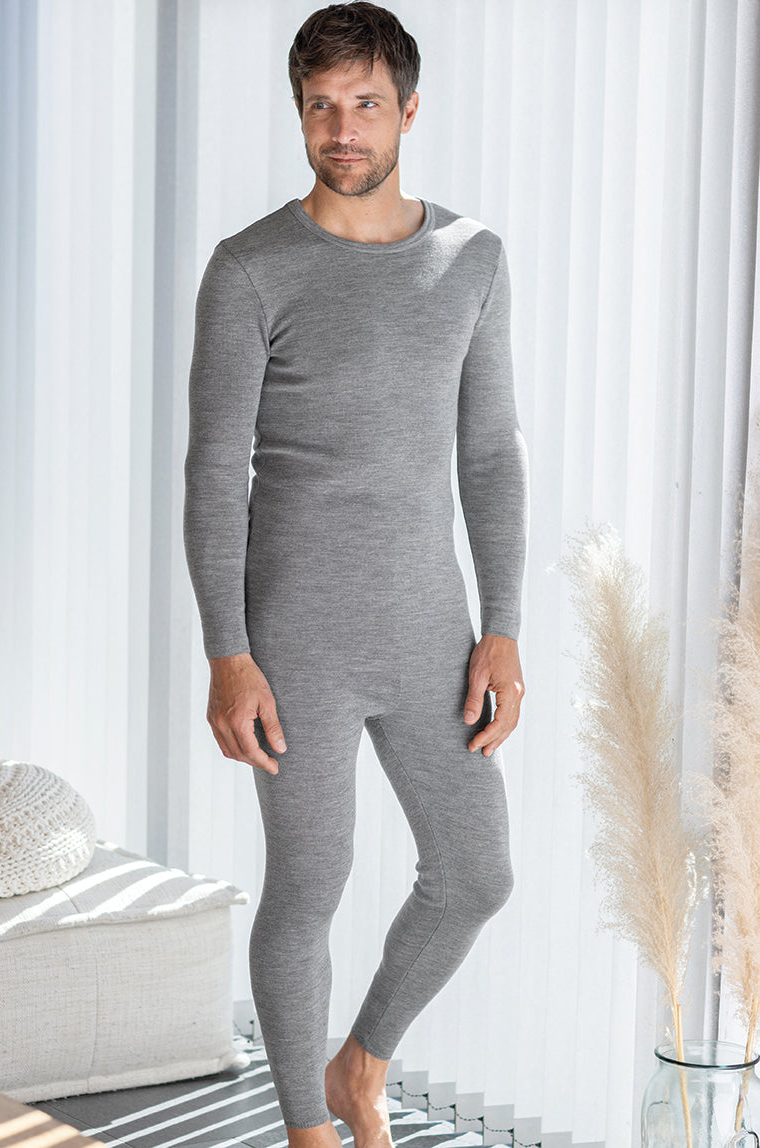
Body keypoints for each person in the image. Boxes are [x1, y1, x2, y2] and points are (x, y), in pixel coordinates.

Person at [183, 4, 528, 1146]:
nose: (343, 128)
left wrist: (502, 624)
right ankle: (307, 1129)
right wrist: (228, 653)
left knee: (475, 872)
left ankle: (359, 1063)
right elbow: (213, 473)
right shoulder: (249, 269)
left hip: (432, 629)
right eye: (321, 105)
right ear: (299, 113)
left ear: (408, 111)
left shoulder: (471, 259)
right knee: (310, 884)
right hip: (295, 641)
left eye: (365, 103)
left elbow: (490, 454)